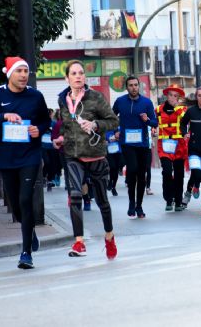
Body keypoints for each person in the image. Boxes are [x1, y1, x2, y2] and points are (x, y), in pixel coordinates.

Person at [0, 56, 50, 269]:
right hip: (6, 159)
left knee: (25, 199)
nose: (24, 75)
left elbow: (45, 120)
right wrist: (3, 115)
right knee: (16, 205)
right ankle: (29, 229)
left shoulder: (35, 97)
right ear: (9, 73)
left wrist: (38, 130)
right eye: (20, 71)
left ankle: (26, 253)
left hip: (30, 156)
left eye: (26, 71)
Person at [52, 60, 118, 260]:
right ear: (67, 78)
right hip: (73, 156)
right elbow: (66, 125)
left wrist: (96, 124)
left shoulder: (96, 97)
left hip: (96, 155)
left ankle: (109, 237)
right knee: (75, 196)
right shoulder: (63, 100)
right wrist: (61, 138)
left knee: (102, 202)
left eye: (81, 73)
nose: (78, 76)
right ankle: (79, 242)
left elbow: (114, 121)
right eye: (74, 73)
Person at [112, 76, 158, 219]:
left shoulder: (146, 102)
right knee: (132, 170)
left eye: (136, 85)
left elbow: (155, 123)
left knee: (141, 175)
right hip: (127, 143)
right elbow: (111, 117)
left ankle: (139, 206)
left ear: (139, 86)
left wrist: (147, 120)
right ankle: (131, 203)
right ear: (127, 87)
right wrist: (115, 131)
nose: (133, 87)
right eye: (131, 85)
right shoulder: (120, 102)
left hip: (142, 144)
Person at [155, 84, 189, 212]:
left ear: (178, 98)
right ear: (166, 96)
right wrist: (152, 129)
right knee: (167, 172)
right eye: (171, 95)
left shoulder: (183, 110)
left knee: (179, 174)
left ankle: (178, 201)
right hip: (164, 145)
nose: (173, 98)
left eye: (176, 96)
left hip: (179, 145)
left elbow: (189, 123)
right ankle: (169, 198)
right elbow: (153, 123)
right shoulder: (158, 110)